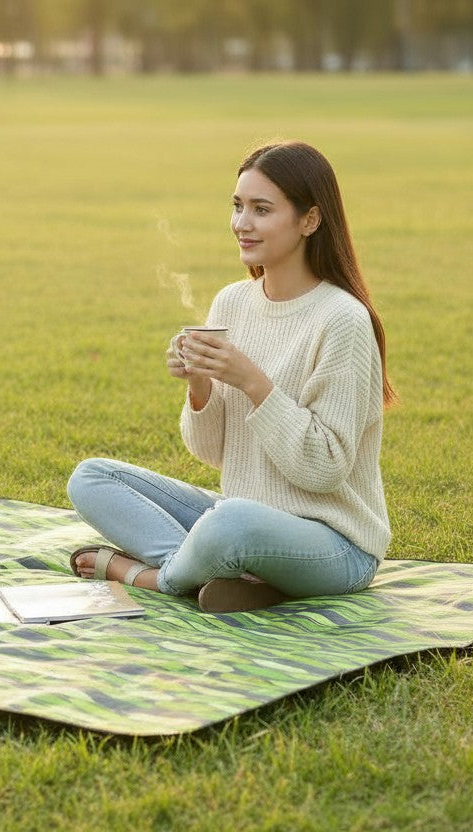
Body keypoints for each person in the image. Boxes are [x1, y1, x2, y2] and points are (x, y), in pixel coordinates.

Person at [66, 140, 396, 612]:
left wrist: (253, 382)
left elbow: (325, 469)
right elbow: (211, 452)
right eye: (238, 207)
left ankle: (158, 577)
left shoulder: (341, 319)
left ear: (310, 220)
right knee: (91, 477)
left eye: (262, 209)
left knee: (231, 523)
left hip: (335, 544)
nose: (242, 224)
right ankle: (233, 575)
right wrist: (199, 385)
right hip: (242, 514)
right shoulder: (232, 303)